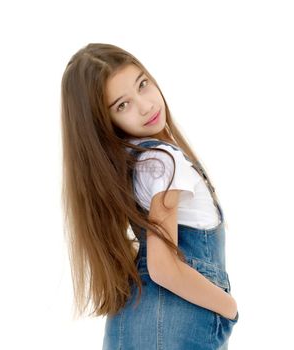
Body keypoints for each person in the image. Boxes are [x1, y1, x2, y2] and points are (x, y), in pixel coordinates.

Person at [60, 43, 239, 349]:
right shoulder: (163, 161)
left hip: (130, 324)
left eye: (142, 84)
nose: (145, 106)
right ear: (105, 124)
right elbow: (163, 267)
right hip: (173, 326)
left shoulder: (132, 163)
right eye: (122, 105)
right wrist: (228, 308)